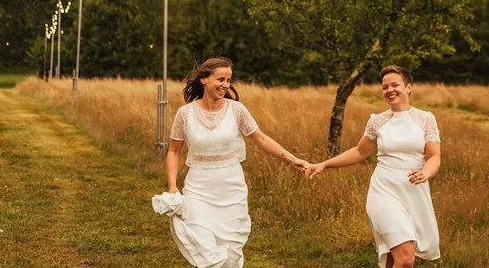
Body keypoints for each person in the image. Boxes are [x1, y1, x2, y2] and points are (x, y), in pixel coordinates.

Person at [161, 57, 308, 268]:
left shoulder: (237, 110)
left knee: (230, 253)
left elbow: (261, 139)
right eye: (220, 79)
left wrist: (291, 159)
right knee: (203, 244)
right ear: (204, 80)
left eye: (228, 80)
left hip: (232, 189)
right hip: (198, 189)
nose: (225, 85)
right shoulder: (184, 114)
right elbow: (174, 151)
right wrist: (173, 187)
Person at [305, 65, 441, 268]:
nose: (389, 90)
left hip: (414, 193)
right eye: (385, 87)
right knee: (405, 259)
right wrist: (325, 164)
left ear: (409, 87)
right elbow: (360, 152)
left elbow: (434, 156)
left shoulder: (425, 119)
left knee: (393, 260)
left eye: (395, 85)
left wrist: (426, 172)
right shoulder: (377, 122)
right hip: (384, 192)